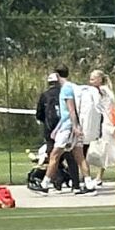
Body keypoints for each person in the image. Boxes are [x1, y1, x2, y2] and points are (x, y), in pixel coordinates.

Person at [30, 66, 92, 194]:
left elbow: (71, 110)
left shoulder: (66, 89)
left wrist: (74, 126)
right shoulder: (73, 87)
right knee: (79, 157)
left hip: (68, 127)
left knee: (54, 155)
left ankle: (45, 184)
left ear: (57, 76)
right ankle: (89, 184)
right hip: (69, 126)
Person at [77, 69, 115, 191]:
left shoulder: (103, 92)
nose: (91, 81)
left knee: (105, 151)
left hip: (105, 124)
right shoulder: (95, 91)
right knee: (91, 151)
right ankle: (88, 177)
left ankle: (96, 177)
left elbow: (107, 109)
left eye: (93, 78)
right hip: (96, 124)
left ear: (100, 79)